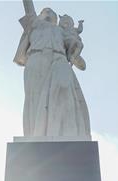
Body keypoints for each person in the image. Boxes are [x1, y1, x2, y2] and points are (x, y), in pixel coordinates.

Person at [13, 6, 90, 138]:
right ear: (39, 16)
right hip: (36, 60)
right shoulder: (34, 23)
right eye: (44, 11)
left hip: (59, 61)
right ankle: (36, 137)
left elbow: (76, 58)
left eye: (52, 12)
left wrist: (76, 55)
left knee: (65, 98)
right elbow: (28, 5)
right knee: (35, 100)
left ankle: (66, 134)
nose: (48, 12)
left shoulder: (61, 31)